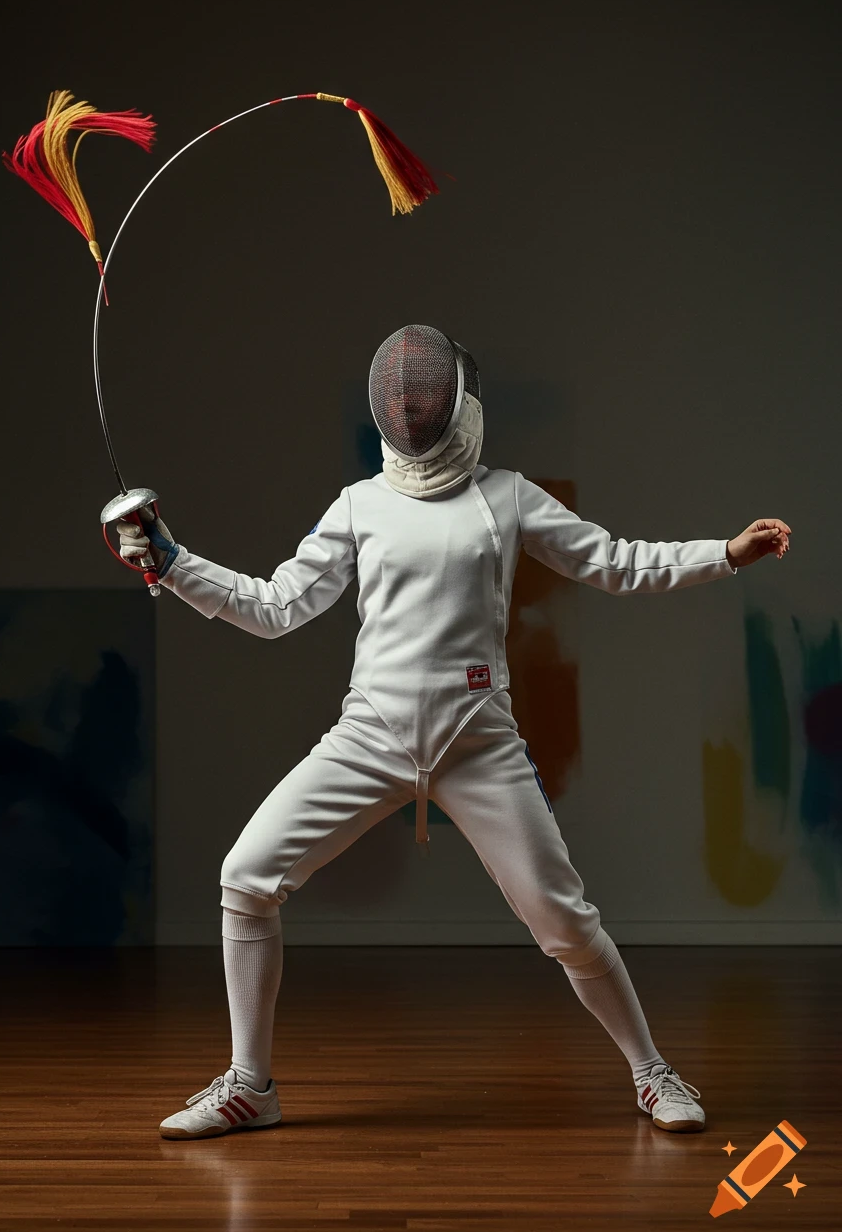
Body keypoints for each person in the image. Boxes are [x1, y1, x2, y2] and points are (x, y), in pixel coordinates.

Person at [118, 324, 791, 1141]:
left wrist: (725, 552)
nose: (415, 402)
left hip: (480, 743)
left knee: (566, 921)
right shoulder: (360, 506)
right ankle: (250, 1086)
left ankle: (652, 1072)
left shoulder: (507, 496)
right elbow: (274, 607)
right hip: (369, 736)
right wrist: (173, 561)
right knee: (246, 877)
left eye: (426, 392)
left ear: (453, 405)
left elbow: (613, 561)